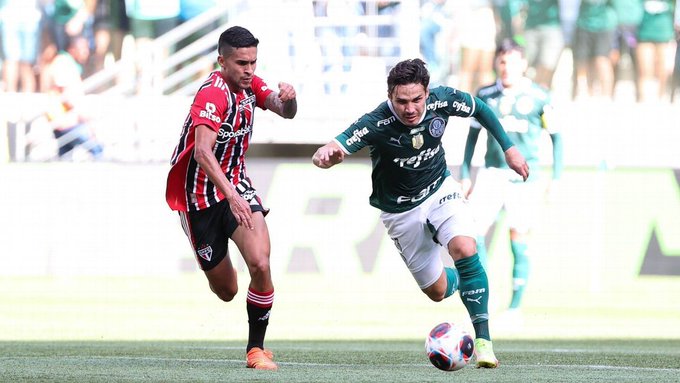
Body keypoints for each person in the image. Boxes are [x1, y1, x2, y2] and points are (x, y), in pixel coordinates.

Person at [312, 58, 529, 368]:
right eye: (401, 101)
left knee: (465, 247)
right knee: (437, 291)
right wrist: (326, 156)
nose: (410, 108)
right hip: (400, 211)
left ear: (427, 93)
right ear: (390, 96)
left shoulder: (443, 98)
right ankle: (470, 279)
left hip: (440, 188)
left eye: (417, 99)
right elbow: (336, 145)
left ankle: (484, 342)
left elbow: (480, 107)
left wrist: (509, 148)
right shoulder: (376, 121)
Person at [165, 26, 297, 371]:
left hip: (236, 185)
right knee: (227, 290)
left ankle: (256, 350)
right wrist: (232, 198)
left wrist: (290, 98)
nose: (249, 69)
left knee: (261, 263)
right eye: (241, 63)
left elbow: (285, 111)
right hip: (199, 200)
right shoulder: (212, 94)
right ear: (222, 61)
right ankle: (219, 262)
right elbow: (203, 155)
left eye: (253, 61)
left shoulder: (251, 84)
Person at [461, 39, 563, 326]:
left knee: (517, 239)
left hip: (525, 177)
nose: (507, 68)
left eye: (513, 62)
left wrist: (555, 178)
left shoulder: (541, 97)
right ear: (497, 64)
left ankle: (516, 307)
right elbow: (472, 138)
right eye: (503, 62)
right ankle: (484, 298)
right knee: (473, 235)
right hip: (491, 173)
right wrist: (466, 173)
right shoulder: (484, 95)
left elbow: (557, 139)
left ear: (524, 65)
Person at [44, 34, 103, 160]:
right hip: (66, 121)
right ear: (72, 49)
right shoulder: (63, 63)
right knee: (98, 151)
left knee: (65, 157)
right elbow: (68, 96)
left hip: (69, 120)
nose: (86, 52)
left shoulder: (69, 64)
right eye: (83, 49)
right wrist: (85, 118)